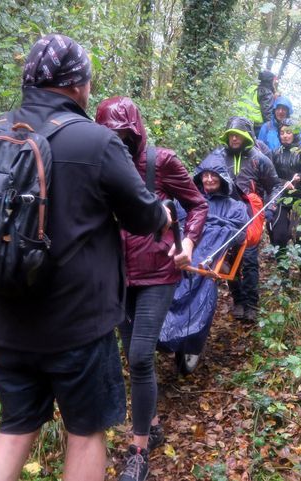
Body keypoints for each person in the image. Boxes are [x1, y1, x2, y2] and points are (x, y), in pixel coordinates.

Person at [0, 34, 172, 481]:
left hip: (4, 318)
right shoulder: (96, 142)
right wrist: (164, 212)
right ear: (78, 84)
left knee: (14, 429)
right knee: (85, 433)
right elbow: (142, 218)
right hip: (77, 324)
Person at [95, 96, 208, 481]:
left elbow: (198, 205)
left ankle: (138, 451)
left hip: (159, 271)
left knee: (142, 356)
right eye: (111, 135)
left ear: (136, 130)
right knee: (132, 355)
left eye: (124, 135)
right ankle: (153, 422)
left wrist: (188, 242)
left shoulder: (162, 162)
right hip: (119, 274)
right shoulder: (102, 163)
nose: (119, 142)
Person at [158, 151, 250, 371]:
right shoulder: (188, 202)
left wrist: (217, 228)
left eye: (214, 175)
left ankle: (188, 340)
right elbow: (175, 224)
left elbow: (241, 235)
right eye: (205, 175)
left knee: (200, 291)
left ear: (223, 178)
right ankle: (163, 332)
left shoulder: (234, 206)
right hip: (183, 254)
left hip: (208, 259)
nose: (208, 179)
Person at [211, 116, 283, 322]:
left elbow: (275, 186)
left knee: (250, 261)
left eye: (239, 135)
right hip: (225, 217)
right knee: (229, 260)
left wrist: (270, 210)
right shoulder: (217, 157)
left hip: (251, 215)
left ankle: (251, 304)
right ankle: (238, 300)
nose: (234, 139)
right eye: (231, 135)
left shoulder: (259, 159)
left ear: (247, 136)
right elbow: (202, 179)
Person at [269, 120, 301, 276]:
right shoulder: (275, 153)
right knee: (278, 234)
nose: (285, 136)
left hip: (300, 198)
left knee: (297, 234)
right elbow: (270, 177)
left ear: (295, 133)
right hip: (282, 197)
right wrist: (283, 183)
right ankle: (284, 274)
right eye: (282, 133)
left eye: (288, 132)